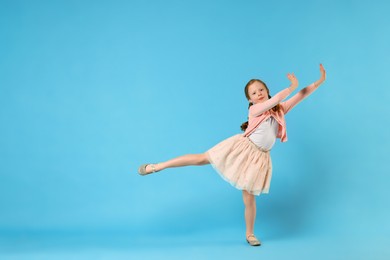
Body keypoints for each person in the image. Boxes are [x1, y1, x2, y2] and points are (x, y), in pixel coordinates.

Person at [138, 64, 326, 246]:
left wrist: (318, 81)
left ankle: (250, 234)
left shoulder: (279, 110)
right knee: (202, 158)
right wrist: (290, 87)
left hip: (259, 158)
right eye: (254, 93)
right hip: (242, 149)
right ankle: (157, 166)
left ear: (266, 90)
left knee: (249, 198)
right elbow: (275, 99)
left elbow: (300, 95)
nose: (259, 93)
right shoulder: (254, 110)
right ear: (250, 100)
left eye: (261, 89)